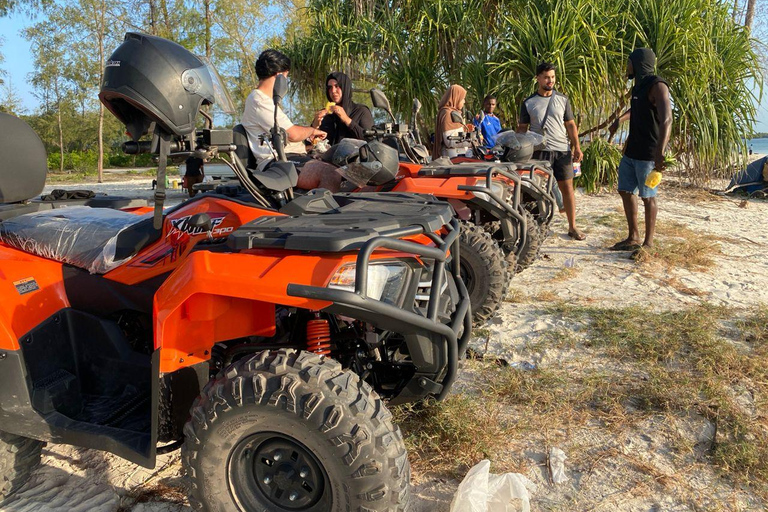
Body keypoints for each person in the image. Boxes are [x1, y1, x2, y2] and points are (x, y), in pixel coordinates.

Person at [241, 49, 341, 191]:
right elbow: (292, 134)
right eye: (286, 77)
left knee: (342, 163)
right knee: (331, 174)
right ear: (279, 76)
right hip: (276, 163)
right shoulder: (259, 100)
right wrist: (312, 130)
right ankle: (321, 212)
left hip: (289, 157)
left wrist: (309, 133)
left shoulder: (268, 101)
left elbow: (286, 132)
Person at [609, 48, 672, 259]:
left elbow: (667, 119)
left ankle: (648, 243)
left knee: (648, 197)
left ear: (638, 63)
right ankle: (633, 236)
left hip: (648, 153)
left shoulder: (658, 86)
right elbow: (635, 109)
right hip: (632, 150)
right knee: (625, 190)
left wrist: (661, 151)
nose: (627, 66)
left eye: (629, 62)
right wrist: (620, 119)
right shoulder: (638, 87)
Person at [517, 62, 585, 240]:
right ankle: (541, 227)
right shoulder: (529, 103)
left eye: (553, 77)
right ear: (538, 78)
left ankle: (572, 227)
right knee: (540, 192)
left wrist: (577, 146)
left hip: (562, 151)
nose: (550, 80)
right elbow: (522, 129)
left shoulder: (563, 100)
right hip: (540, 153)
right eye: (547, 77)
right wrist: (518, 148)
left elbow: (570, 124)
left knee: (567, 189)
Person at [311, 72, 373, 145]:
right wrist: (315, 126)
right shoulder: (325, 115)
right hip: (327, 156)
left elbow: (370, 140)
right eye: (330, 87)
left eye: (337, 86)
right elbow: (309, 143)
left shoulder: (361, 111)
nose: (333, 91)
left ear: (345, 88)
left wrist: (347, 119)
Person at [433, 84, 473, 160]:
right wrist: (471, 142)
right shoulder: (447, 113)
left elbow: (456, 134)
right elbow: (449, 141)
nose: (464, 101)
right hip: (451, 159)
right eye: (463, 98)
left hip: (459, 156)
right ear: (456, 97)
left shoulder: (454, 112)